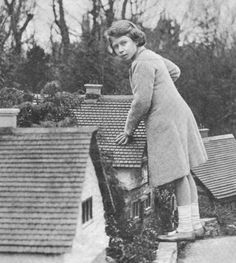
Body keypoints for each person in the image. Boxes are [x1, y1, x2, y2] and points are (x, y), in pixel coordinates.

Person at [105, 20, 208, 242]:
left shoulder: (141, 64)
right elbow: (175, 71)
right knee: (185, 172)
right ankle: (195, 225)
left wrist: (128, 130)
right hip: (179, 112)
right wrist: (163, 87)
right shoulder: (150, 55)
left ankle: (185, 229)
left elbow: (141, 101)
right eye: (116, 46)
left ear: (135, 40)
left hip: (166, 119)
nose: (120, 49)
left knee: (179, 174)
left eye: (124, 43)